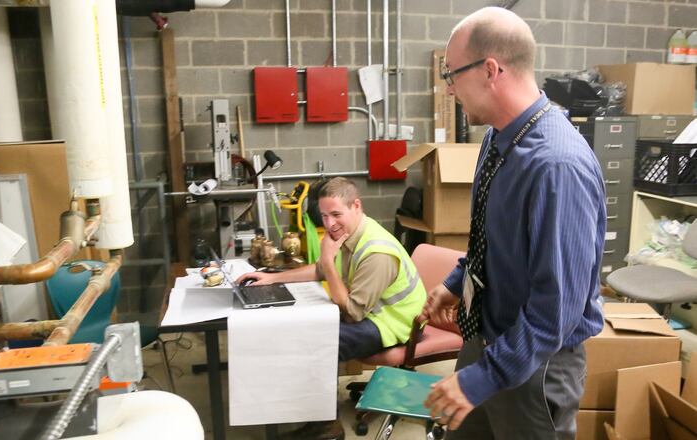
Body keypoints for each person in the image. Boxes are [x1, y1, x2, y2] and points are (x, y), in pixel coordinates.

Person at [421, 7, 606, 439]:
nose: (448, 89)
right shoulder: (497, 137)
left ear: (491, 70)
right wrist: (454, 281)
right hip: (486, 341)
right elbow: (490, 240)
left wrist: (482, 378)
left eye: (451, 74)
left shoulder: (557, 166)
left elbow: (554, 311)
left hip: (535, 365)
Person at [238, 177, 426, 440]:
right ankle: (299, 409)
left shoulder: (377, 252)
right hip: (369, 314)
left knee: (316, 343)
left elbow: (352, 312)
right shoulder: (349, 233)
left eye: (336, 214)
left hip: (392, 325)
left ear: (356, 206)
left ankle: (326, 428)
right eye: (324, 215)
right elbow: (319, 270)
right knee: (299, 328)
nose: (329, 224)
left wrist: (326, 259)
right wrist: (272, 278)